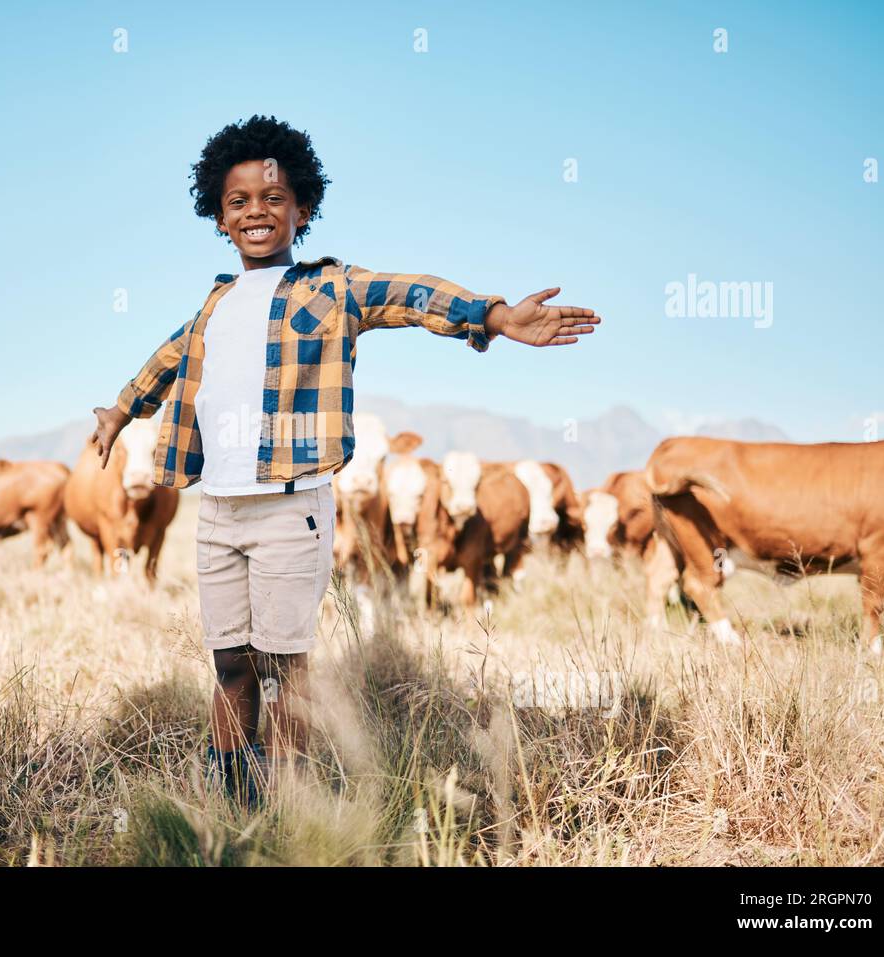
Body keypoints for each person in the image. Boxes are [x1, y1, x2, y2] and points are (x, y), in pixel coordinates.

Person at [90, 115, 600, 809]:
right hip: (217, 510)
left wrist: (494, 314)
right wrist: (121, 409)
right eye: (238, 202)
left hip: (291, 506)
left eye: (274, 198)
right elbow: (167, 359)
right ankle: (233, 805)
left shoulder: (331, 289)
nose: (256, 212)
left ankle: (293, 806)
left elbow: (408, 294)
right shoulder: (214, 304)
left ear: (302, 209)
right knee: (230, 663)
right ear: (218, 217)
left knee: (284, 665)